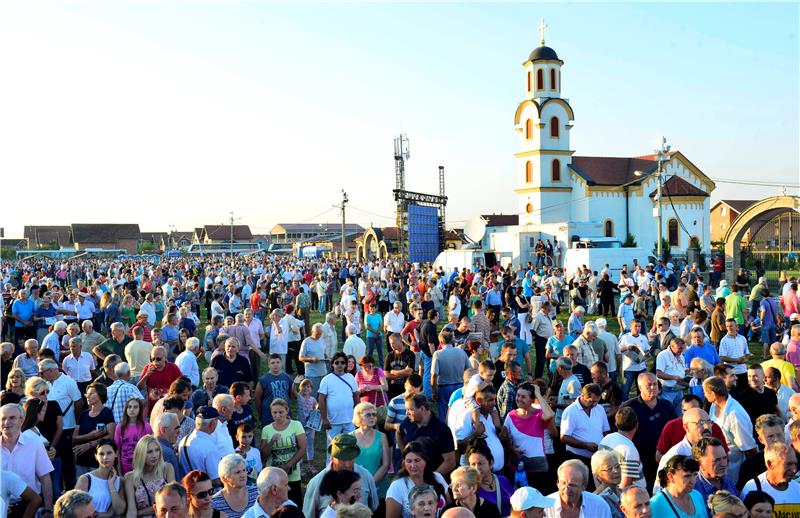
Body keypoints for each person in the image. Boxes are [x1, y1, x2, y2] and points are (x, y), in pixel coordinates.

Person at [621, 372, 677, 489]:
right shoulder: (629, 408)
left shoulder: (667, 406)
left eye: (655, 384)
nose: (653, 388)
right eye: (648, 385)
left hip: (664, 458)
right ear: (640, 387)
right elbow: (621, 435)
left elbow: (675, 430)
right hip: (640, 460)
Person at [303, 434, 379, 518]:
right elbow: (308, 515)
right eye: (342, 460)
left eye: (350, 459)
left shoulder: (366, 476)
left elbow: (373, 508)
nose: (347, 464)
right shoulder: (316, 483)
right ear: (331, 457)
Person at [0, 403, 54, 518]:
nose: (6, 422)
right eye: (3, 418)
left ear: (21, 420)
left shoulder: (35, 445)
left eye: (12, 418)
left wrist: (48, 510)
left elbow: (45, 479)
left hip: (28, 506)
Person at [703, 376, 757, 485]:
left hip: (735, 466)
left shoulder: (735, 414)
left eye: (705, 392)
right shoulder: (714, 405)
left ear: (713, 395)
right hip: (717, 459)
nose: (704, 395)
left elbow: (748, 447)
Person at [259, 399, 307, 506]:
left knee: (295, 504)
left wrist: (289, 465)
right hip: (274, 476)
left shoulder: (296, 425)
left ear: (287, 411)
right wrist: (271, 442)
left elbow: (303, 448)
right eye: (274, 413)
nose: (278, 415)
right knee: (276, 506)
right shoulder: (266, 429)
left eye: (281, 412)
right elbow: (263, 455)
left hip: (293, 474)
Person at [397, 393, 457, 475]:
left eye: (410, 409)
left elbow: (450, 462)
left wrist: (432, 479)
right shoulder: (409, 421)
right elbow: (399, 433)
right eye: (406, 409)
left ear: (422, 408)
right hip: (411, 476)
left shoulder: (441, 430)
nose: (407, 413)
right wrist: (404, 452)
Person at [386, 441, 450, 518]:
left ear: (426, 461)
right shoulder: (397, 486)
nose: (413, 465)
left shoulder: (438, 477)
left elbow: (449, 507)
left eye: (417, 460)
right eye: (409, 461)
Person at [123, 435, 176, 518]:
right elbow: (131, 510)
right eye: (149, 452)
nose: (154, 455)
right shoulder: (130, 478)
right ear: (141, 454)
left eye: (157, 450)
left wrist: (140, 513)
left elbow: (173, 500)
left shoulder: (167, 468)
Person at [352, 402, 391, 511]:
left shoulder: (382, 436)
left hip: (379, 490)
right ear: (359, 416)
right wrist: (359, 487)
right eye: (368, 415)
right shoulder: (350, 437)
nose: (373, 417)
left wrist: (370, 484)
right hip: (355, 490)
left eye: (374, 414)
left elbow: (386, 464)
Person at [74, 439, 126, 518]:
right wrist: (105, 514)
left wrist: (111, 485)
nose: (105, 457)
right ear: (96, 456)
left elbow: (120, 510)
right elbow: (77, 509)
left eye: (109, 453)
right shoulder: (85, 479)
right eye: (101, 454)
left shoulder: (120, 481)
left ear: (116, 454)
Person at [741, 442, 800, 509]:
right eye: (788, 464)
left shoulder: (798, 489)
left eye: (795, 464)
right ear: (770, 464)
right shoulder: (753, 487)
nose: (794, 470)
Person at [72, 383, 116, 475]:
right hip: (81, 460)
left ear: (100, 395)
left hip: (98, 461)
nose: (87, 396)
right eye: (87, 394)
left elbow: (111, 436)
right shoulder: (83, 414)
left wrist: (89, 445)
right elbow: (74, 437)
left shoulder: (107, 413)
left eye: (91, 393)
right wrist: (90, 436)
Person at [599, 406, 646, 489]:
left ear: (616, 424)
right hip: (631, 497)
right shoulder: (630, 450)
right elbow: (626, 484)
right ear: (637, 425)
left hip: (608, 492)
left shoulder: (605, 440)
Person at [545, 459, 611, 518]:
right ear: (557, 483)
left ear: (584, 486)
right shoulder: (545, 507)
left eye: (572, 485)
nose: (566, 489)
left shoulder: (599, 505)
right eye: (563, 483)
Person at [465, 439, 513, 517]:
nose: (477, 468)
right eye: (473, 464)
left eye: (480, 463)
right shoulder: (471, 488)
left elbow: (515, 505)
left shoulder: (503, 481)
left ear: (491, 462)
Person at [178, 407, 224, 485]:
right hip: (206, 493)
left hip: (189, 490)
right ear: (213, 424)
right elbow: (216, 480)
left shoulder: (183, 440)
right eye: (217, 421)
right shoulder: (209, 447)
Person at [431, 331, 471, 418]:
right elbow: (469, 370)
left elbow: (434, 374)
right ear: (452, 341)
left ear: (441, 342)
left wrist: (434, 391)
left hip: (444, 388)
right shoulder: (462, 352)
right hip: (460, 386)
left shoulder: (438, 354)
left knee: (444, 414)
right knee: (460, 413)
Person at [691, 436, 739, 504]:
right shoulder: (693, 490)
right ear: (700, 463)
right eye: (717, 460)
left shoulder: (727, 481)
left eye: (725, 458)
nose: (723, 464)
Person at [210, 454, 258, 518]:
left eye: (244, 470)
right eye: (238, 472)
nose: (243, 475)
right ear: (225, 478)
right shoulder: (215, 503)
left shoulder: (256, 493)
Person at [138, 346, 183, 413]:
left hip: (170, 407)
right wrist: (146, 375)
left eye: (158, 359)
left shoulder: (173, 368)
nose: (155, 361)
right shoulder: (148, 368)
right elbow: (139, 387)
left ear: (165, 358)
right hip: (153, 409)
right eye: (153, 359)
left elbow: (183, 384)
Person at [114, 397, 152, 474]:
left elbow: (150, 447)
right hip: (124, 467)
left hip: (142, 467)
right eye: (129, 407)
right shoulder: (120, 427)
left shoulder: (146, 426)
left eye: (135, 407)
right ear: (126, 409)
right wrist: (119, 472)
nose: (132, 409)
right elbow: (117, 450)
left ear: (140, 409)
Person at [655, 337, 688, 417]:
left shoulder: (681, 356)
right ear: (672, 346)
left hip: (679, 389)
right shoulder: (663, 355)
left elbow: (681, 370)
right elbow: (659, 373)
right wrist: (674, 377)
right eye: (679, 348)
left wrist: (687, 371)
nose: (681, 350)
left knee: (678, 414)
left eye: (682, 348)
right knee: (666, 413)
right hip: (667, 390)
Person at [619, 320, 650, 399]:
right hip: (629, 368)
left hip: (641, 368)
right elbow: (618, 350)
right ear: (631, 327)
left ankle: (640, 406)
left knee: (641, 390)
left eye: (639, 326)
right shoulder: (625, 337)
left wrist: (644, 356)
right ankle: (624, 406)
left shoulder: (643, 337)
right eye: (635, 326)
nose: (638, 328)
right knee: (625, 390)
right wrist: (629, 348)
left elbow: (647, 350)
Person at [591, 449, 624, 518]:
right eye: (609, 469)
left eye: (617, 466)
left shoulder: (624, 492)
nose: (615, 471)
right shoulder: (596, 500)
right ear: (598, 475)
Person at [384, 333, 416, 399]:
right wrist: (401, 374)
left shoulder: (410, 354)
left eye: (394, 343)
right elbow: (385, 374)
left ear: (401, 341)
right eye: (390, 343)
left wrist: (393, 372)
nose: (391, 345)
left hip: (406, 388)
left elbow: (409, 372)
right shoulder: (389, 356)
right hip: (392, 389)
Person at [299, 324, 328, 394]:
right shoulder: (306, 342)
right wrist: (311, 359)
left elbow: (322, 352)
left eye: (320, 334)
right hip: (312, 374)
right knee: (312, 396)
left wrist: (326, 357)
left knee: (323, 395)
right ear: (312, 331)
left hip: (323, 372)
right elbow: (300, 357)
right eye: (317, 333)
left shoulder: (321, 340)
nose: (319, 335)